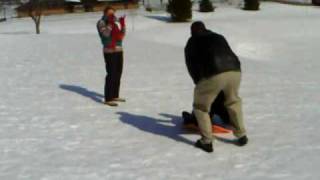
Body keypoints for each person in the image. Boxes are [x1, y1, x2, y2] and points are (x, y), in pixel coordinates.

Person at [185, 21, 248, 153]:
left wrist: (200, 85)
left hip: (213, 72)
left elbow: (192, 67)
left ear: (192, 32)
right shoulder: (218, 36)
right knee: (233, 101)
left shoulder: (192, 42)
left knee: (200, 107)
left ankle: (206, 142)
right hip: (235, 70)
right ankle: (241, 135)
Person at [97, 6, 126, 106]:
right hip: (109, 51)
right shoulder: (101, 22)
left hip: (119, 50)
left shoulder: (115, 22)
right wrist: (110, 24)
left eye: (113, 13)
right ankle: (108, 98)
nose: (112, 15)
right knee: (111, 73)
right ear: (105, 13)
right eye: (109, 13)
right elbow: (105, 34)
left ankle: (115, 95)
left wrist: (122, 25)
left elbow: (121, 36)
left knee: (118, 72)